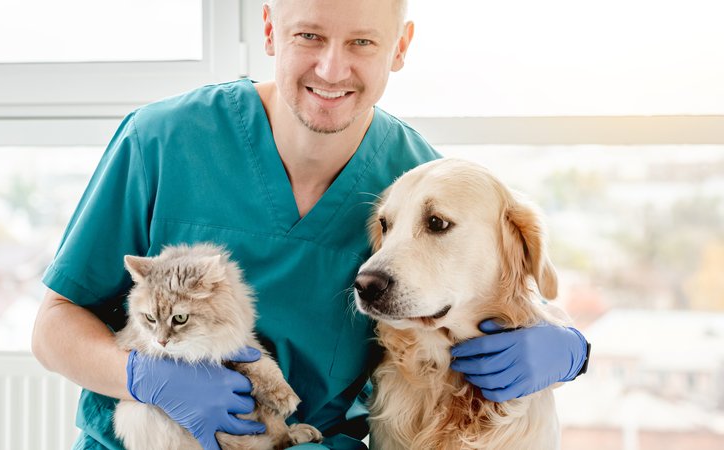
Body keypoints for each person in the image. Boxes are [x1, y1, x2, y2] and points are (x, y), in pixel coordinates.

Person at [31, 1, 590, 449]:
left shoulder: (416, 183)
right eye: (309, 36)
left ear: (399, 47)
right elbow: (53, 324)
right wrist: (144, 378)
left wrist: (571, 348)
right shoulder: (162, 141)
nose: (331, 69)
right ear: (271, 30)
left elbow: (498, 286)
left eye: (362, 43)